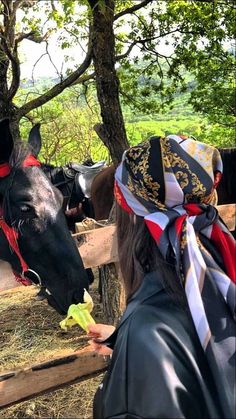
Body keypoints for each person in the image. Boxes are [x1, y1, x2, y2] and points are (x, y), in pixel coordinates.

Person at [88, 135, 235, 419]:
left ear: (131, 219)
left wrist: (138, 349)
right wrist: (127, 344)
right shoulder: (221, 273)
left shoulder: (148, 328)